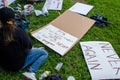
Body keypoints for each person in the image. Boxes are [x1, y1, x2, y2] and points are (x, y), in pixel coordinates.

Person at [0, 7, 48, 80]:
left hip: (4, 63)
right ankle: (31, 72)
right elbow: (29, 47)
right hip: (17, 65)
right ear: (13, 19)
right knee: (44, 53)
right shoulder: (18, 32)